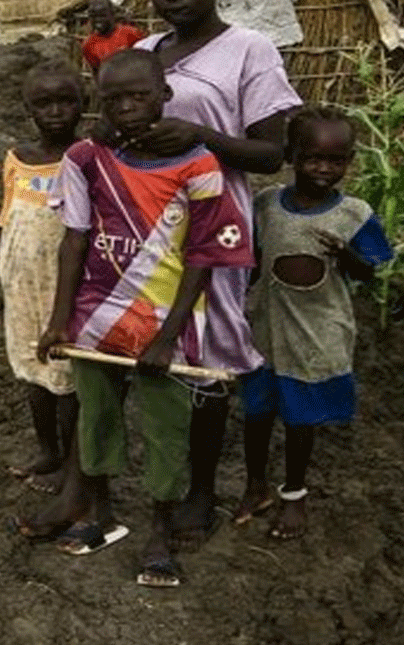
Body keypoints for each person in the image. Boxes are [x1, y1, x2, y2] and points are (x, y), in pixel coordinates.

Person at [36, 48, 254, 587]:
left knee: (165, 428)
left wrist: (169, 335)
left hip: (164, 323)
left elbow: (204, 256)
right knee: (97, 416)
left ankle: (160, 528)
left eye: (139, 97)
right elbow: (75, 240)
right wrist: (59, 321)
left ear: (165, 97)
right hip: (96, 319)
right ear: (99, 104)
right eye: (115, 100)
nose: (128, 108)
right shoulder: (86, 160)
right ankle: (102, 513)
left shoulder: (199, 165)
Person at [127, 0, 304, 548]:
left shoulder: (249, 51)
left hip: (216, 225)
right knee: (155, 341)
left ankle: (200, 490)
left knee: (205, 355)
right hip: (146, 225)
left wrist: (198, 136)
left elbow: (271, 153)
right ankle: (166, 476)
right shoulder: (145, 50)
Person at [233, 105, 393, 539]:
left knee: (301, 417)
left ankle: (294, 494)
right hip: (266, 324)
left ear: (349, 161)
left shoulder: (353, 214)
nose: (324, 168)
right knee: (258, 411)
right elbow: (250, 263)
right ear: (291, 156)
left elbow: (370, 272)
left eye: (336, 161)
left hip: (319, 329)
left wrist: (346, 256)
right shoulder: (265, 205)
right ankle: (255, 485)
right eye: (312, 158)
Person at [0, 60, 83, 495]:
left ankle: (73, 461)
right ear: (27, 109)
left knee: (68, 377)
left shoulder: (87, 159)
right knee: (30, 370)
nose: (55, 112)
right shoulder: (17, 161)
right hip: (19, 284)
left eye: (65, 101)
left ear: (83, 104)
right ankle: (47, 450)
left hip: (66, 288)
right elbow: (4, 221)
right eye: (44, 104)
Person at [79, 0, 146, 71]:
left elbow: (145, 60)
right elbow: (97, 73)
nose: (98, 20)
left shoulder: (131, 33)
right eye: (93, 16)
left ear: (112, 14)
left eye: (102, 15)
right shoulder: (88, 45)